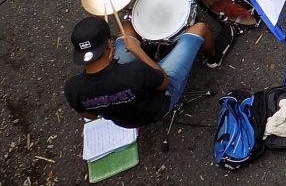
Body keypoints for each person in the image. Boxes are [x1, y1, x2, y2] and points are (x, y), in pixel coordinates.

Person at [63, 15, 229, 129]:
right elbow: (163, 82)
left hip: (125, 122)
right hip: (161, 101)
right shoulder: (135, 71)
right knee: (200, 28)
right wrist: (138, 51)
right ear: (108, 45)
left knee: (127, 26)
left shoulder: (72, 89)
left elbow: (90, 115)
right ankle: (212, 57)